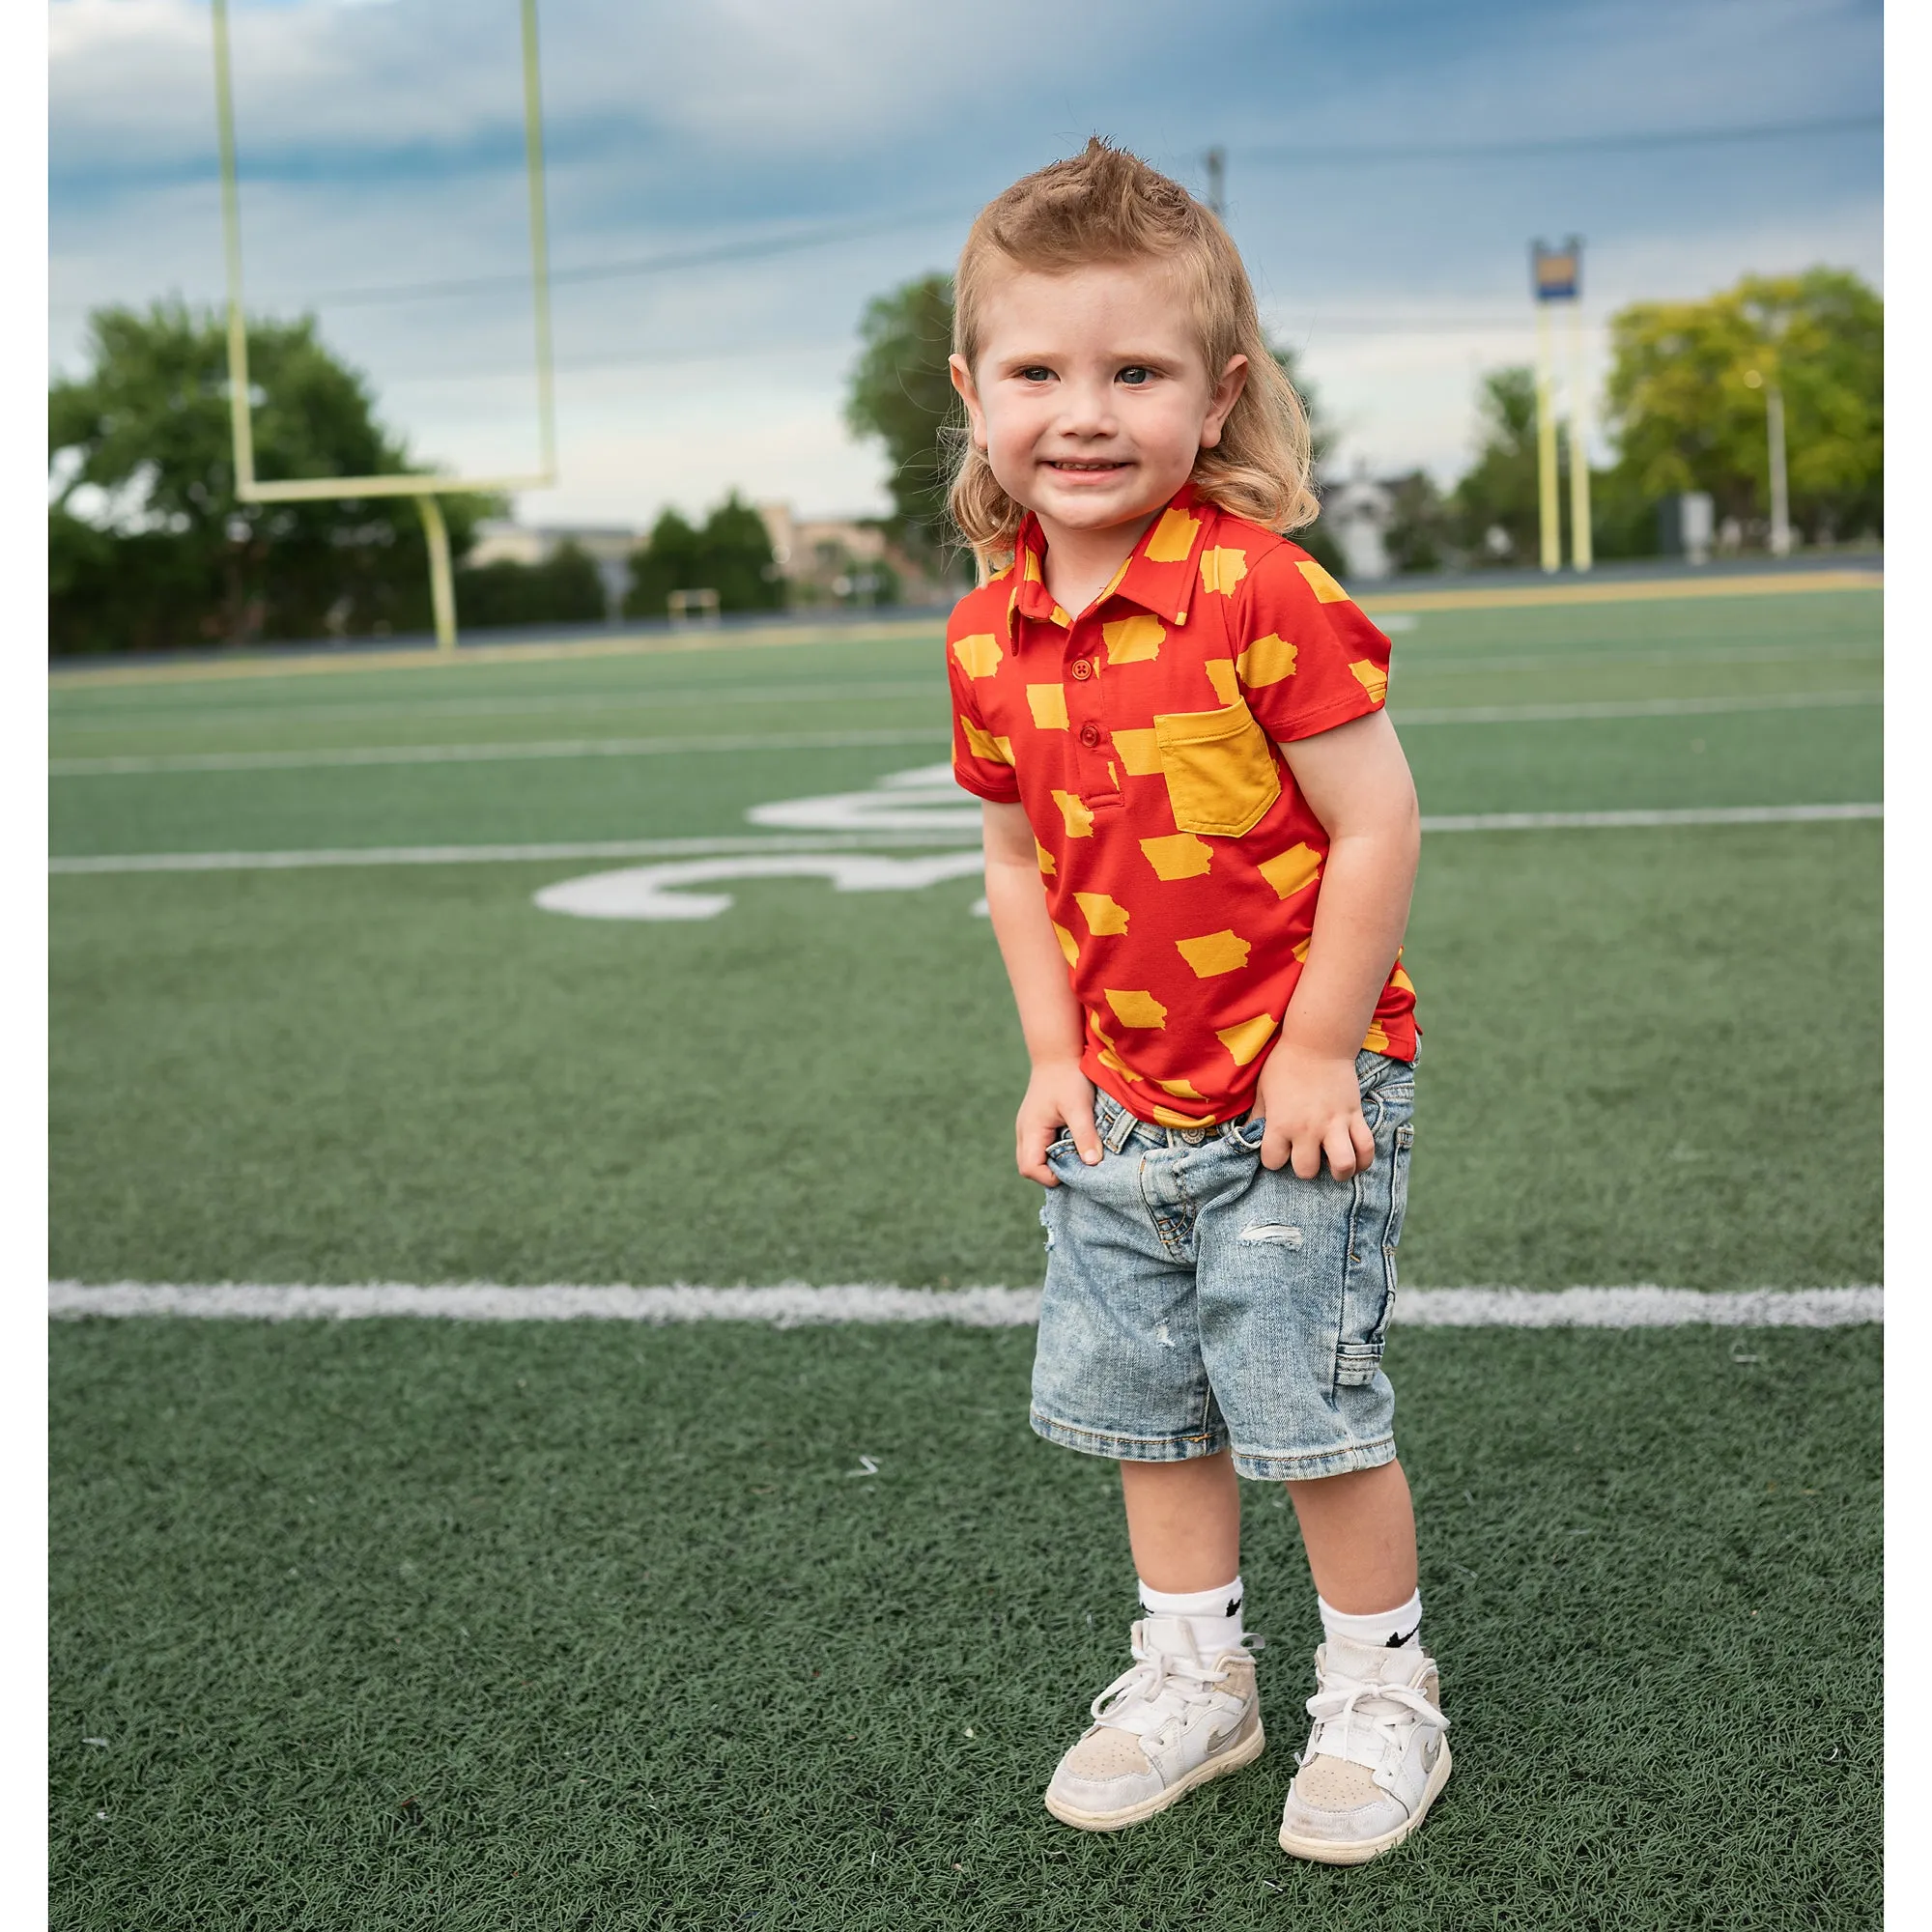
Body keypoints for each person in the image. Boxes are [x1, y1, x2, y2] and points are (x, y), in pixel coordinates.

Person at [943, 139, 1448, 1864]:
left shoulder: (1257, 588)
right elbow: (1017, 864)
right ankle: (1196, 1673)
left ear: (1217, 396)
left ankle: (1381, 1688)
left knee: (1307, 1412)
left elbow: (1377, 818)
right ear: (973, 391)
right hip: (1125, 1102)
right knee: (1145, 1404)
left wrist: (1317, 1048)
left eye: (1135, 372)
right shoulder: (985, 636)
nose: (1083, 413)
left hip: (1294, 1098)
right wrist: (1048, 1055)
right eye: (1039, 372)